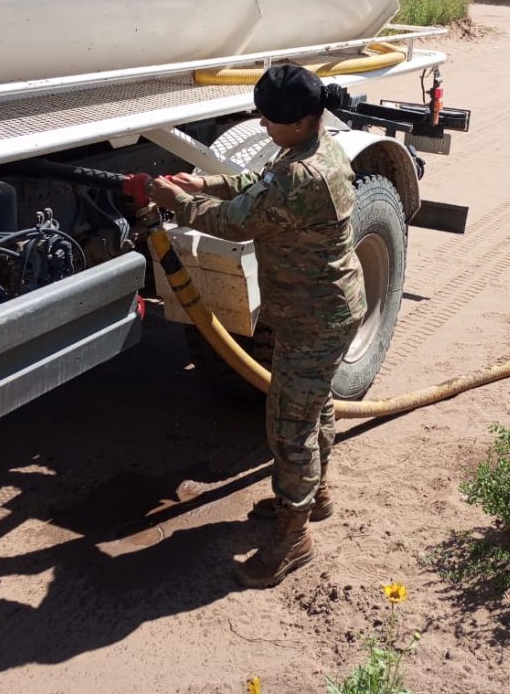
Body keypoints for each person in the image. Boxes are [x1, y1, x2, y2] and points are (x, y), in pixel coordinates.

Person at [149, 64, 366, 588]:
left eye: (270, 119)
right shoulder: (314, 148)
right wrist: (204, 182)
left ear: (301, 120)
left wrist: (177, 202)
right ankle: (314, 496)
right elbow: (257, 185)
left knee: (290, 427)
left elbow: (236, 222)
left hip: (315, 317)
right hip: (322, 309)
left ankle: (292, 538)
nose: (263, 125)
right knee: (314, 406)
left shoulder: (303, 175)